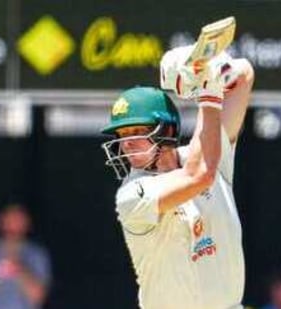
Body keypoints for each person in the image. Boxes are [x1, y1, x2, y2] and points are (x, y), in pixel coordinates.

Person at [101, 43, 254, 309]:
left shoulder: (209, 155)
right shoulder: (132, 195)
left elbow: (244, 75)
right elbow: (198, 176)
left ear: (167, 129)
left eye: (136, 130)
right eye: (122, 135)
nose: (127, 143)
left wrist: (206, 69)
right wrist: (207, 93)